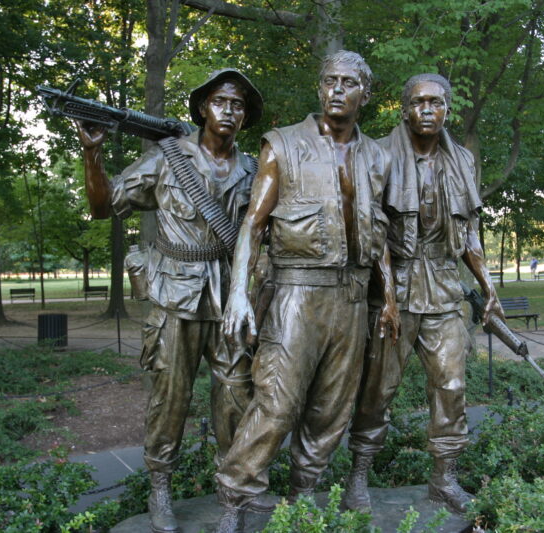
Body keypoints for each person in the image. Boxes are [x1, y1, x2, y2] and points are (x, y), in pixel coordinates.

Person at [214, 51, 400, 532]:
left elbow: (377, 233)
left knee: (331, 411)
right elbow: (252, 226)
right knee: (276, 403)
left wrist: (391, 298)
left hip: (354, 300)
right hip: (297, 294)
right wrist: (238, 293)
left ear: (366, 93)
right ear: (320, 89)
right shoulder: (283, 144)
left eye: (348, 83)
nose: (337, 90)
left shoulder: (378, 155)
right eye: (329, 81)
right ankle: (235, 500)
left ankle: (301, 498)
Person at [75, 69, 263, 533]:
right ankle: (160, 487)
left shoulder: (254, 170)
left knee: (236, 398)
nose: (230, 111)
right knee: (169, 398)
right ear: (203, 108)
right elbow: (103, 206)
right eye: (221, 101)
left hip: (232, 296)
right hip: (175, 295)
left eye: (238, 105)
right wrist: (92, 153)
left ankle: (233, 497)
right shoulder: (168, 158)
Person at [342, 73, 504, 515]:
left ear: (448, 108)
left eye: (436, 103)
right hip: (393, 282)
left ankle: (444, 479)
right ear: (404, 109)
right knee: (379, 389)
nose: (428, 110)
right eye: (419, 103)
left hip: (444, 286)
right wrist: (389, 298)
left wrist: (488, 287)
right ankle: (358, 476)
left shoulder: (463, 162)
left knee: (451, 385)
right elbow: (372, 232)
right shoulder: (376, 154)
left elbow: (468, 234)